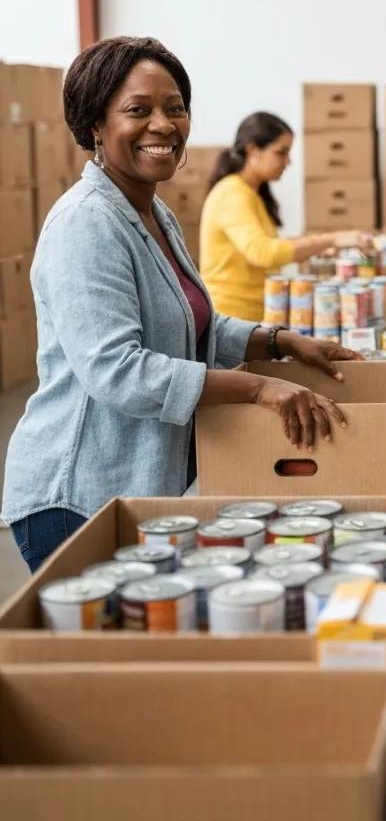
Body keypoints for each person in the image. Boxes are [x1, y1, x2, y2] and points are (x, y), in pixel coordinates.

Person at [1, 37, 359, 573]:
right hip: (77, 496)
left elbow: (192, 328)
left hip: (137, 489)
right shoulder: (87, 223)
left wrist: (279, 341)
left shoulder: (152, 213)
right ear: (95, 125)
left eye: (175, 108)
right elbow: (117, 371)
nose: (164, 125)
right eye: (138, 110)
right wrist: (259, 385)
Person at [200, 112, 370, 321]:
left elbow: (273, 245)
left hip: (250, 315)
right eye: (281, 152)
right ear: (253, 150)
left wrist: (320, 245)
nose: (288, 162)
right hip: (230, 318)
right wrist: (332, 239)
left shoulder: (250, 193)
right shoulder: (232, 193)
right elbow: (264, 252)